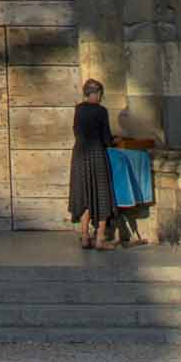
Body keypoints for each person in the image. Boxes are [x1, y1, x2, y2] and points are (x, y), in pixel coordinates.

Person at [69, 78, 121, 249]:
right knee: (101, 194)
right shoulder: (101, 111)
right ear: (97, 94)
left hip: (79, 155)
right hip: (96, 154)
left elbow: (77, 131)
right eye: (100, 94)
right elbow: (105, 138)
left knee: (84, 194)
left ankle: (84, 236)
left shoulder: (78, 110)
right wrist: (115, 141)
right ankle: (100, 239)